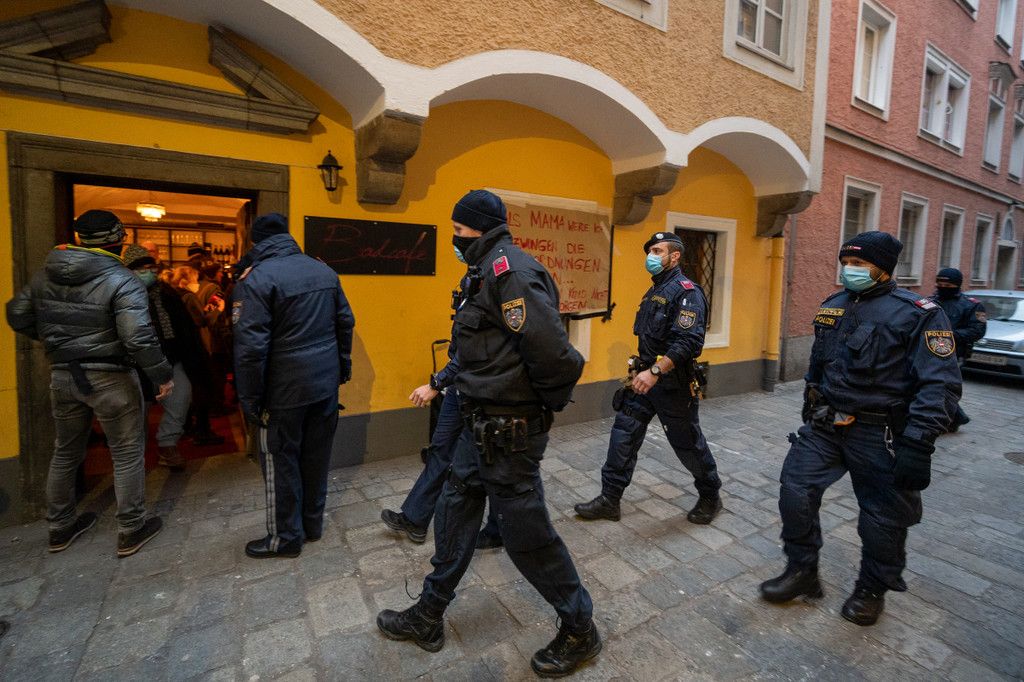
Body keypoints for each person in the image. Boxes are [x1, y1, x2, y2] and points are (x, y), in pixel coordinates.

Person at [377, 190, 600, 678]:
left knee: (526, 536)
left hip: (509, 432)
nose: (454, 240)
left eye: (458, 232)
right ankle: (429, 614)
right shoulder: (481, 272)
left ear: (477, 228)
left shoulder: (510, 273)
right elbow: (476, 350)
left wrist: (538, 409)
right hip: (477, 425)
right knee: (453, 511)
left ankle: (580, 627)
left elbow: (556, 356)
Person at [760, 231, 961, 626]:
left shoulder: (919, 313)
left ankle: (872, 589)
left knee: (882, 517)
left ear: (883, 268)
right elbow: (818, 362)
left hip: (881, 432)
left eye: (859, 264)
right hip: (827, 425)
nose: (849, 270)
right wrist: (811, 401)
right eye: (846, 263)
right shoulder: (833, 305)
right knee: (795, 490)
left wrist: (919, 442)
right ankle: (802, 571)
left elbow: (940, 384)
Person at [6, 210, 172, 557]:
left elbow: (17, 313)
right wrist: (161, 375)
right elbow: (137, 336)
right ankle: (131, 528)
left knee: (66, 451)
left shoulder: (45, 275)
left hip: (64, 373)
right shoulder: (123, 279)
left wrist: (59, 343)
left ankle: (60, 526)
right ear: (118, 239)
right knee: (126, 452)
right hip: (110, 375)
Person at [575, 232, 722, 525]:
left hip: (671, 384)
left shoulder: (687, 292)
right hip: (643, 380)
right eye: (650, 251)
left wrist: (655, 372)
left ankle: (710, 496)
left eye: (657, 251)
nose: (651, 256)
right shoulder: (655, 290)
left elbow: (688, 343)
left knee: (687, 444)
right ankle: (610, 499)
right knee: (623, 435)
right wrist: (645, 372)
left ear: (674, 256)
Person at [233, 213, 355, 558]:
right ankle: (311, 525)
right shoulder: (323, 270)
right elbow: (345, 322)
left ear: (255, 242)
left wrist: (250, 399)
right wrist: (341, 369)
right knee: (316, 457)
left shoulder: (257, 278)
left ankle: (285, 538)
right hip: (324, 384)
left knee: (280, 461)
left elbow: (250, 348)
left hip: (283, 390)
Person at [380, 270, 502, 549]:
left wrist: (437, 383)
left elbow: (471, 351)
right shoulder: (469, 284)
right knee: (440, 450)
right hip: (458, 387)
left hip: (480, 390)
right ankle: (415, 518)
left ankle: (499, 529)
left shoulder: (495, 289)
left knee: (490, 461)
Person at [123, 244, 208, 471]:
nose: (149, 273)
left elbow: (183, 327)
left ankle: (168, 443)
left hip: (170, 356)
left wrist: (190, 355)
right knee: (137, 410)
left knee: (181, 396)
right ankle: (134, 458)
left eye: (151, 268)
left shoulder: (167, 294)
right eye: (143, 269)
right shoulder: (120, 296)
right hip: (135, 363)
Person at [929, 267, 986, 432]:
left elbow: (977, 331)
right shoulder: (930, 301)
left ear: (957, 284)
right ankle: (955, 417)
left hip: (955, 353)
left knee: (944, 386)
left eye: (947, 285)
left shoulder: (972, 305)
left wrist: (947, 336)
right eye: (940, 283)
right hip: (929, 351)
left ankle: (952, 418)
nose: (942, 287)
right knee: (934, 385)